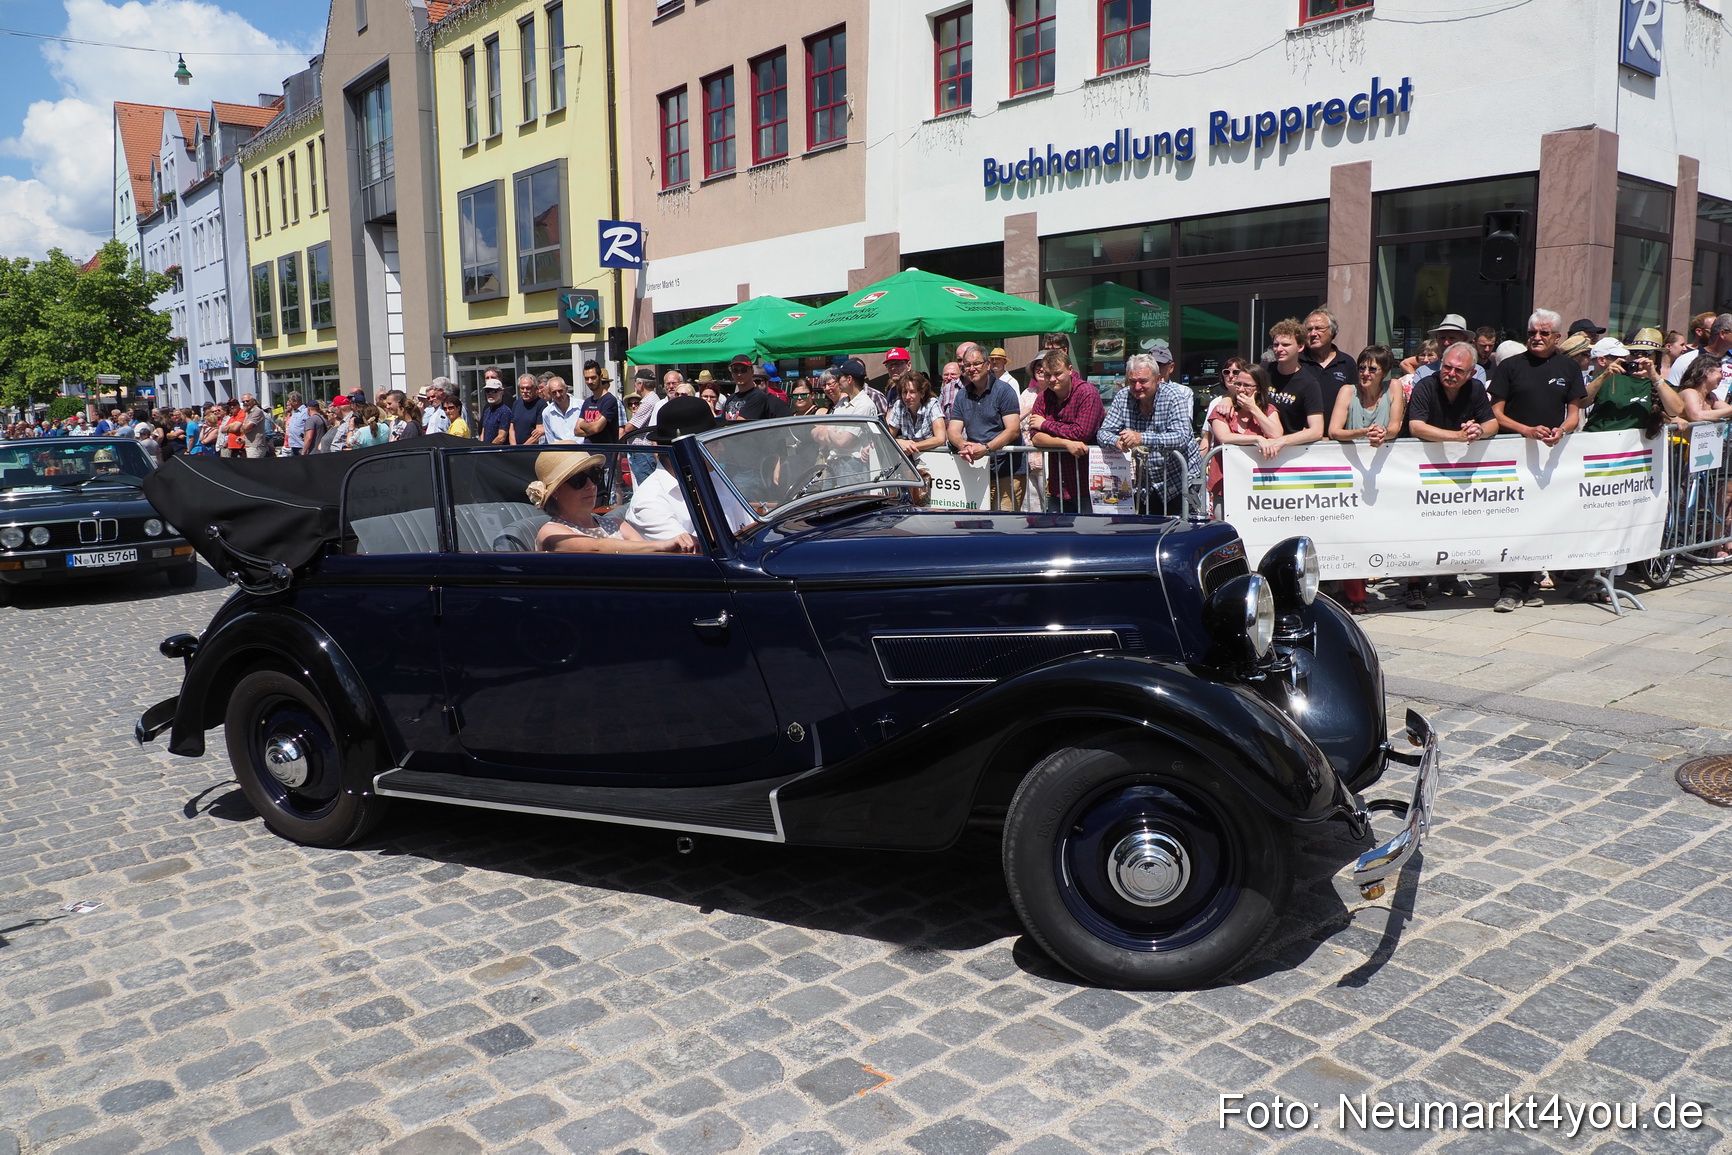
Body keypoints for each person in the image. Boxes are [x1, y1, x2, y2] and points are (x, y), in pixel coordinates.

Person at [1486, 310, 1584, 612]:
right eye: (1532, 333)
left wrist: (1561, 430)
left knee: (1540, 521)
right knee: (1514, 521)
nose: (1537, 338)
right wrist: (1526, 430)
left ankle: (1528, 584)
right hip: (1513, 457)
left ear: (1557, 337)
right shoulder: (1510, 366)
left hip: (1551, 458)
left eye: (1544, 333)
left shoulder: (1568, 367)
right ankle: (1509, 589)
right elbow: (1496, 413)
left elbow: (1573, 414)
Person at [528, 450, 695, 554]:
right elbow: (597, 548)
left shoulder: (616, 523)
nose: (591, 485)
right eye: (578, 480)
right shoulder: (551, 533)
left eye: (594, 475)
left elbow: (648, 554)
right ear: (555, 492)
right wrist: (665, 544)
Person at [1097, 349, 1200, 515]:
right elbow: (1103, 433)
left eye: (1143, 381)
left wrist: (1141, 438)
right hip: (1145, 485)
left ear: (1158, 379)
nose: (1137, 387)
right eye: (1132, 381)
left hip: (1180, 481)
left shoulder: (1174, 396)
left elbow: (1181, 437)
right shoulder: (1123, 396)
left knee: (1183, 534)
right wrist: (1116, 442)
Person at [947, 342, 1025, 511]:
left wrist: (986, 448)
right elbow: (953, 430)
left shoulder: (1005, 391)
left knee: (1004, 527)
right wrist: (963, 445)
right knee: (977, 524)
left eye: (976, 364)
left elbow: (1013, 430)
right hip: (978, 472)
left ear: (988, 364)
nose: (971, 368)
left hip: (1008, 472)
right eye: (967, 365)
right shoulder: (962, 395)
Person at [1026, 347, 1105, 511]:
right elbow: (1035, 437)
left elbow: (1082, 432)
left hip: (1087, 485)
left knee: (1089, 534)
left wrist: (1045, 424)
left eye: (1057, 373)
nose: (1053, 379)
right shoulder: (1043, 397)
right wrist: (1065, 444)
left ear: (1070, 370)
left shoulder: (1087, 393)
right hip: (1057, 487)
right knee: (1056, 535)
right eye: (1048, 375)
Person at [1205, 358, 1281, 502]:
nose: (1240, 389)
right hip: (1224, 485)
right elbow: (1224, 437)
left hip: (1258, 486)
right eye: (1238, 384)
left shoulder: (1268, 410)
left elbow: (1276, 434)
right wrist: (1258, 438)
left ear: (1258, 388)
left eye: (1246, 385)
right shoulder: (1223, 408)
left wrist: (1253, 409)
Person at [1260, 318, 1327, 457]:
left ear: (1300, 347)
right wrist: (1226, 399)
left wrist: (1283, 441)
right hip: (1258, 449)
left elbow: (1317, 430)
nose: (1279, 349)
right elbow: (1239, 391)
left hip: (1291, 454)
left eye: (1285, 344)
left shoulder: (1309, 383)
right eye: (1276, 344)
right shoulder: (1263, 370)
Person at [1328, 346, 1404, 447]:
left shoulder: (1394, 387)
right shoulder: (1347, 391)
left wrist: (1382, 433)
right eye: (1362, 368)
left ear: (1384, 373)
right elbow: (1333, 432)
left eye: (1372, 369)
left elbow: (1394, 428)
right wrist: (1365, 432)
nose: (1365, 373)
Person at [621, 369, 665, 487]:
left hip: (643, 451)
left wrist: (627, 425)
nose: (635, 385)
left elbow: (629, 428)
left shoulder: (648, 401)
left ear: (640, 384)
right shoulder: (653, 398)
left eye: (635, 382)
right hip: (643, 452)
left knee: (647, 487)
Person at [886, 372, 947, 459]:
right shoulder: (899, 405)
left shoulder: (932, 404)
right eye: (904, 392)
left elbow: (940, 439)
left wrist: (912, 446)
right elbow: (888, 436)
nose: (907, 397)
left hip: (933, 458)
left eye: (912, 392)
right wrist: (899, 441)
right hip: (908, 460)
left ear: (922, 393)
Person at [1302, 308, 1356, 394]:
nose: (1313, 334)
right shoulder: (1296, 361)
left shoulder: (1347, 363)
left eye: (1319, 328)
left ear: (1332, 331)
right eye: (1309, 329)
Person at [723, 355, 785, 422]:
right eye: (735, 370)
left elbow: (740, 424)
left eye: (744, 370)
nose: (739, 374)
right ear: (731, 374)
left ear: (752, 372)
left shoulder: (758, 396)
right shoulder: (730, 399)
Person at [575, 365, 621, 444]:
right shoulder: (587, 402)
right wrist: (592, 426)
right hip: (588, 452)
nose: (589, 381)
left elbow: (596, 428)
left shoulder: (609, 400)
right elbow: (576, 431)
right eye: (587, 378)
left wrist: (583, 424)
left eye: (593, 378)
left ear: (601, 376)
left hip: (605, 452)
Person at [540, 377, 582, 444]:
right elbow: (550, 439)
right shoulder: (547, 413)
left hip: (581, 451)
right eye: (554, 392)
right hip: (560, 452)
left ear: (566, 389)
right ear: (550, 394)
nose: (558, 395)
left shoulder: (581, 406)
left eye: (560, 391)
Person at [509, 375, 545, 446]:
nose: (525, 391)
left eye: (528, 388)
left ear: (535, 389)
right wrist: (514, 447)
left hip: (532, 450)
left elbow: (538, 433)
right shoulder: (516, 403)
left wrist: (522, 448)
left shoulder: (541, 405)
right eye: (522, 388)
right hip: (516, 450)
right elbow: (512, 428)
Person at [480, 379, 512, 444]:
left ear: (502, 393)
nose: (490, 393)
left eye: (494, 391)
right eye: (487, 391)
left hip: (498, 452)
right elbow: (483, 431)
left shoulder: (505, 412)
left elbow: (501, 437)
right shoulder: (487, 411)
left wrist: (489, 449)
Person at [283, 392, 309, 456]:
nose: (289, 403)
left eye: (290, 400)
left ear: (295, 402)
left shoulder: (305, 412)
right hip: (293, 445)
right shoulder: (294, 412)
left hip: (301, 445)